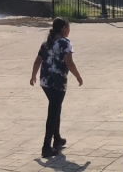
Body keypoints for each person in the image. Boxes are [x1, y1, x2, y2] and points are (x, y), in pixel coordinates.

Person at [29, 17, 83, 158]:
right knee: (53, 112)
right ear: (63, 28)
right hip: (57, 83)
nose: (69, 29)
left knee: (56, 107)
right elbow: (69, 63)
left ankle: (57, 139)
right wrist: (78, 76)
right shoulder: (65, 43)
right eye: (68, 26)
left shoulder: (47, 43)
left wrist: (33, 76)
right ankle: (46, 147)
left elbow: (37, 61)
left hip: (45, 82)